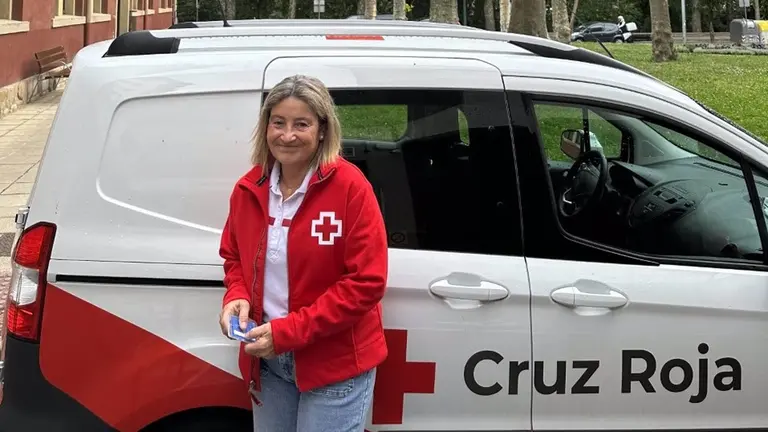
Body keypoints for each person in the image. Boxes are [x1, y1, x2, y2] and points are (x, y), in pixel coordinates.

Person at [217, 74, 389, 432]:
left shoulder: (351, 188)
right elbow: (233, 255)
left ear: (323, 130)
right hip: (268, 362)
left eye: (301, 124)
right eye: (278, 122)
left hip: (334, 363)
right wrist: (237, 295)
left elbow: (366, 282)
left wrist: (289, 332)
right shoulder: (249, 188)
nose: (287, 135)